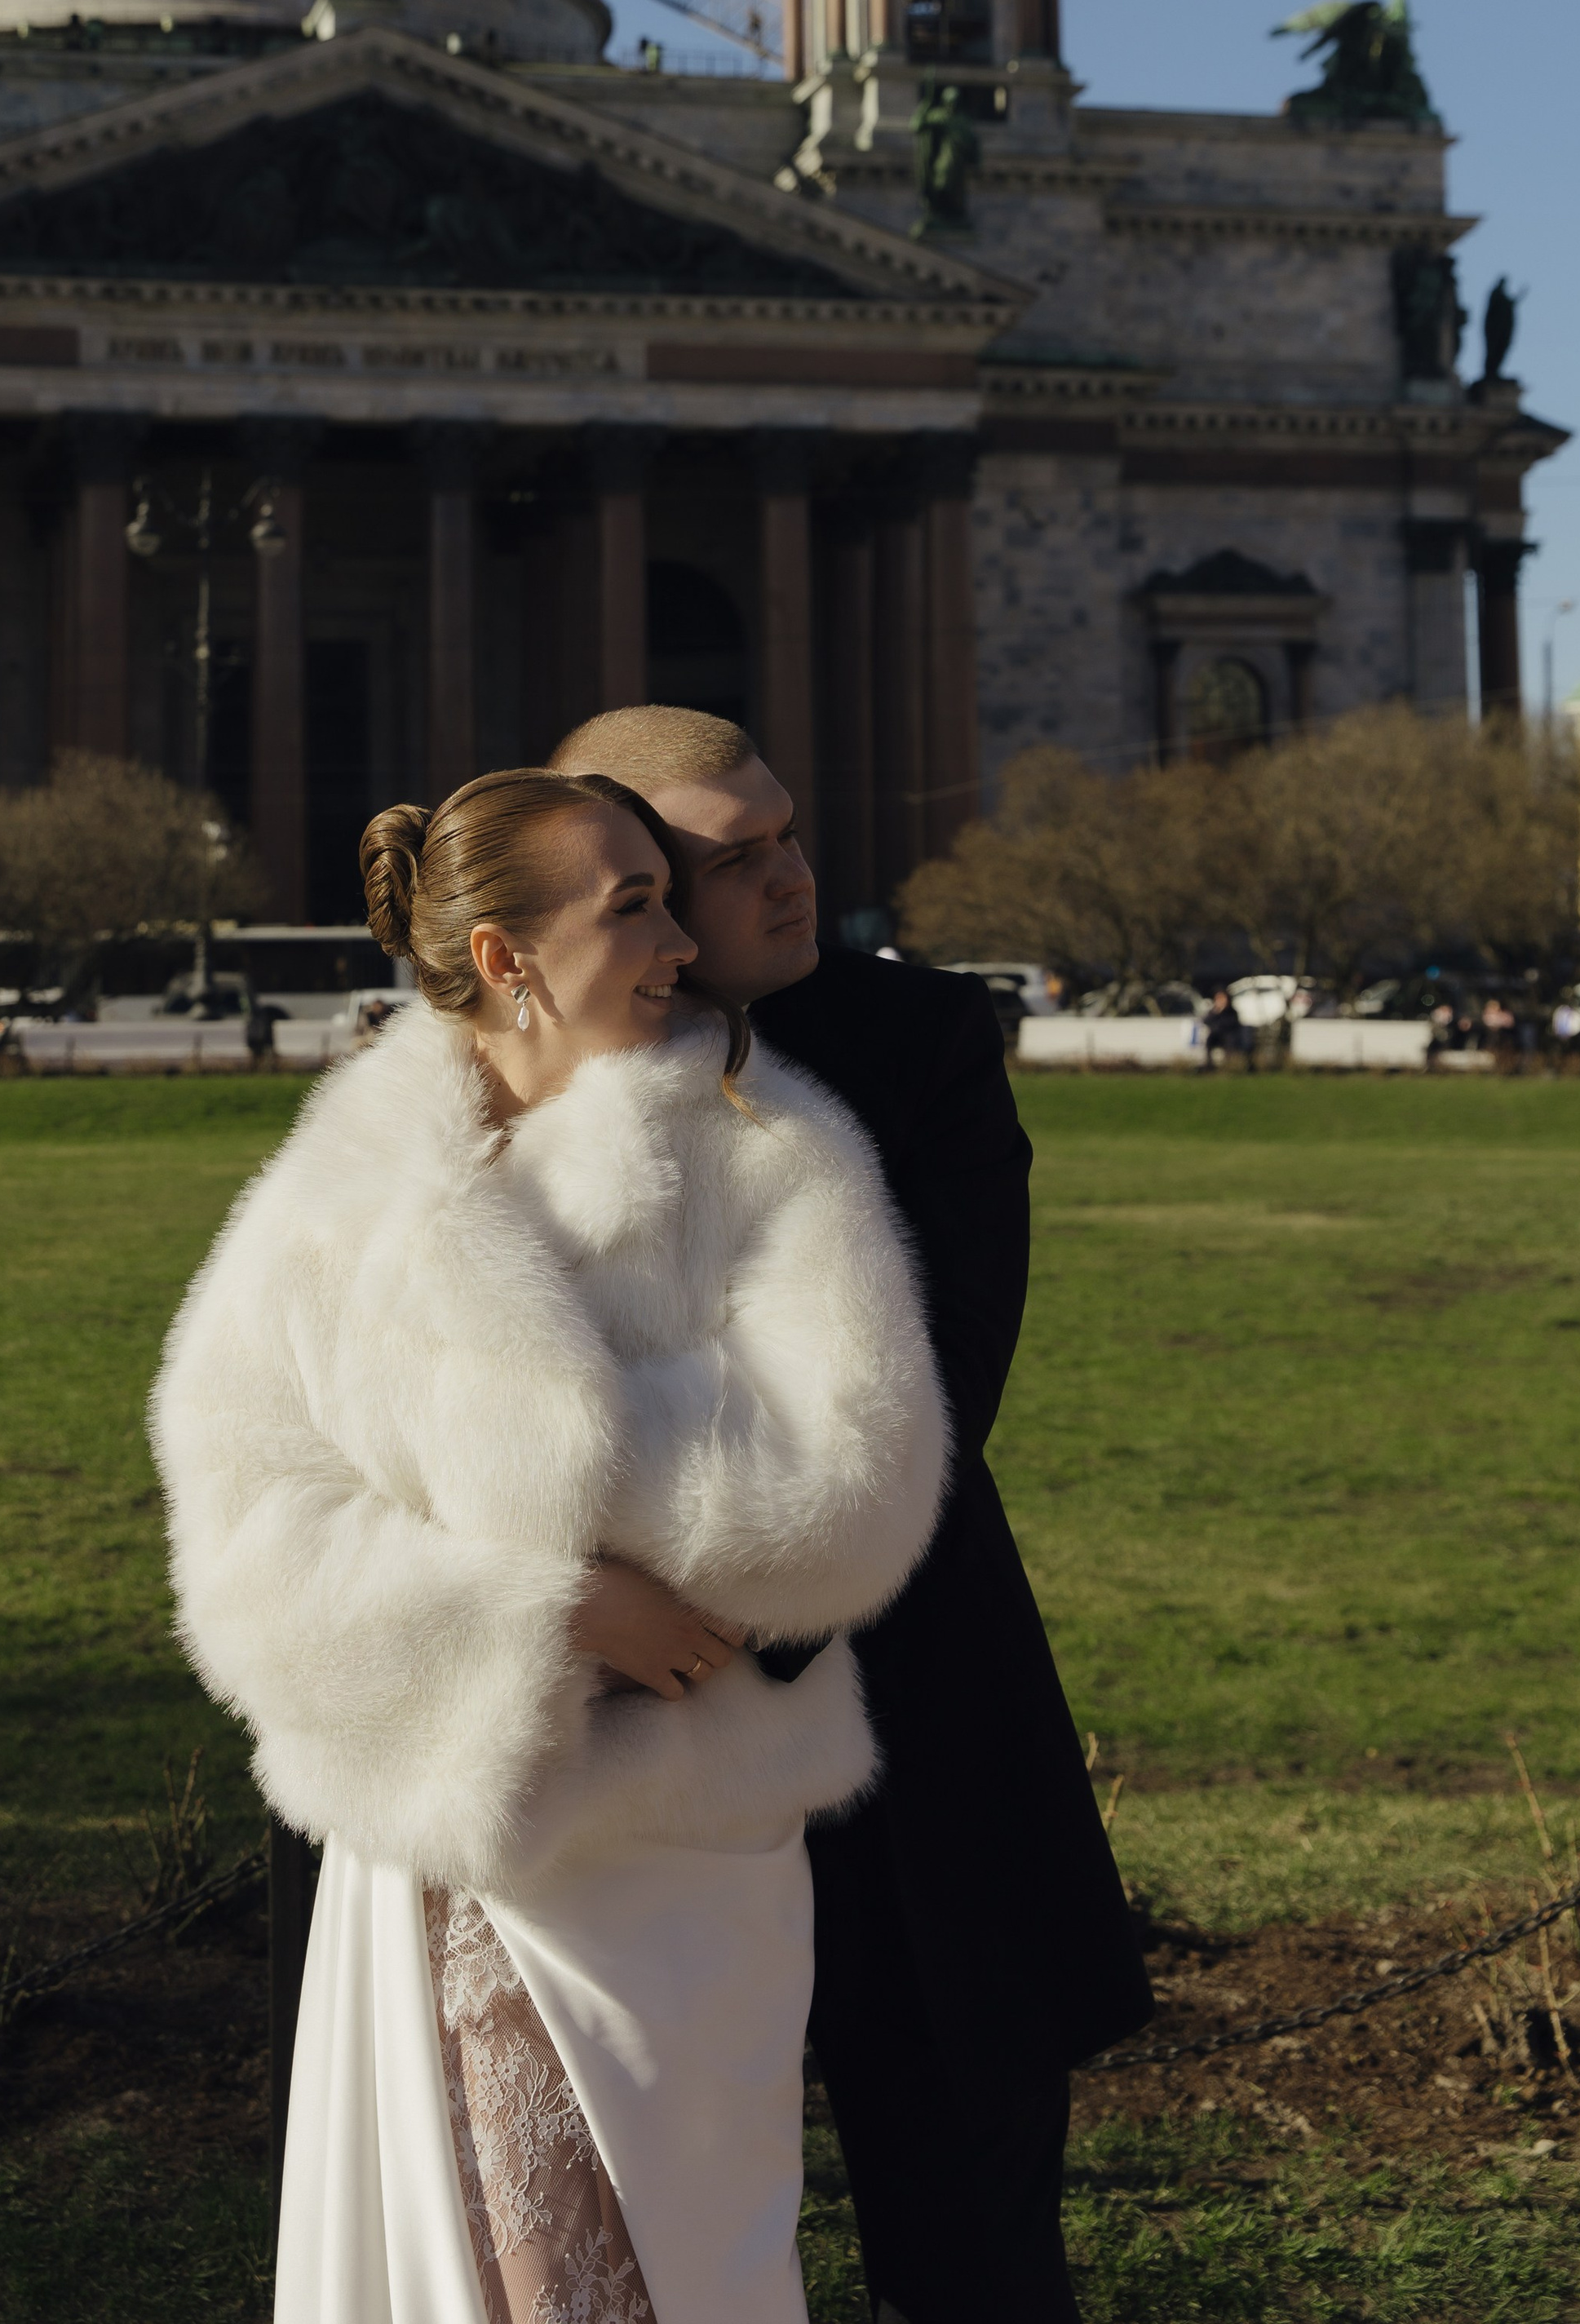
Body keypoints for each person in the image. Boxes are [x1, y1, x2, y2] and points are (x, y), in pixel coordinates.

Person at [151, 768, 951, 2323]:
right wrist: (548, 1597)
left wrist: (508, 1461)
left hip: (680, 1855)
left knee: (671, 2279)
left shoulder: (771, 1150)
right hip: (444, 1842)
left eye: (671, 894)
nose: (681, 941)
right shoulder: (344, 1195)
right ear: (509, 956)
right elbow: (246, 1516)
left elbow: (857, 1476)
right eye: (633, 904)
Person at [549, 708, 1154, 2324]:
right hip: (611, 1775)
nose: (791, 877)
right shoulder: (510, 1077)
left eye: (789, 835)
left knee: (964, 2240)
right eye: (730, 858)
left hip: (904, 1731)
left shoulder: (921, 1048)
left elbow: (934, 1400)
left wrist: (693, 1617)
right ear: (623, 883)